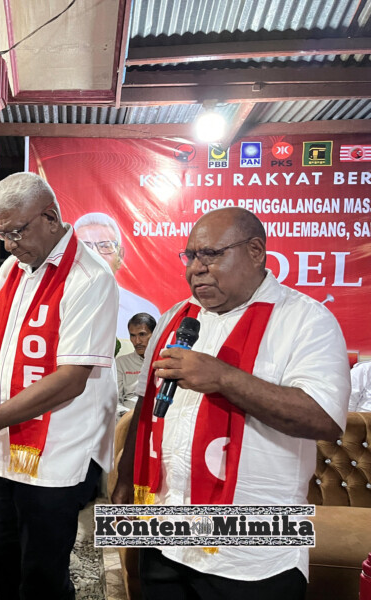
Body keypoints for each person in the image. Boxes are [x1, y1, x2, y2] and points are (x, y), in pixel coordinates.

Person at [112, 207, 350, 599]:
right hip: (165, 531)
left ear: (255, 251)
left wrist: (224, 378)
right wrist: (125, 479)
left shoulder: (306, 320)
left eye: (211, 254)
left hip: (252, 553)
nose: (196, 269)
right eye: (191, 256)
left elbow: (323, 418)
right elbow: (145, 405)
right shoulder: (174, 318)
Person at [0, 172, 119, 600]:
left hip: (58, 454)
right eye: (1, 234)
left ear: (50, 218)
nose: (9, 245)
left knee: (41, 571)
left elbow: (70, 380)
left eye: (16, 232)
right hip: (7, 446)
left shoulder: (90, 278)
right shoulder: (12, 270)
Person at [74, 212, 160, 338]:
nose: (94, 254)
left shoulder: (144, 311)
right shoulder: (54, 307)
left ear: (120, 256)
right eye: (85, 247)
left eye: (105, 246)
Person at [115, 312, 156, 419]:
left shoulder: (165, 360)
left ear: (155, 334)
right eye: (132, 335)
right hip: (128, 418)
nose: (137, 341)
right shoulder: (121, 363)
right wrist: (129, 417)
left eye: (142, 334)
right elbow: (114, 401)